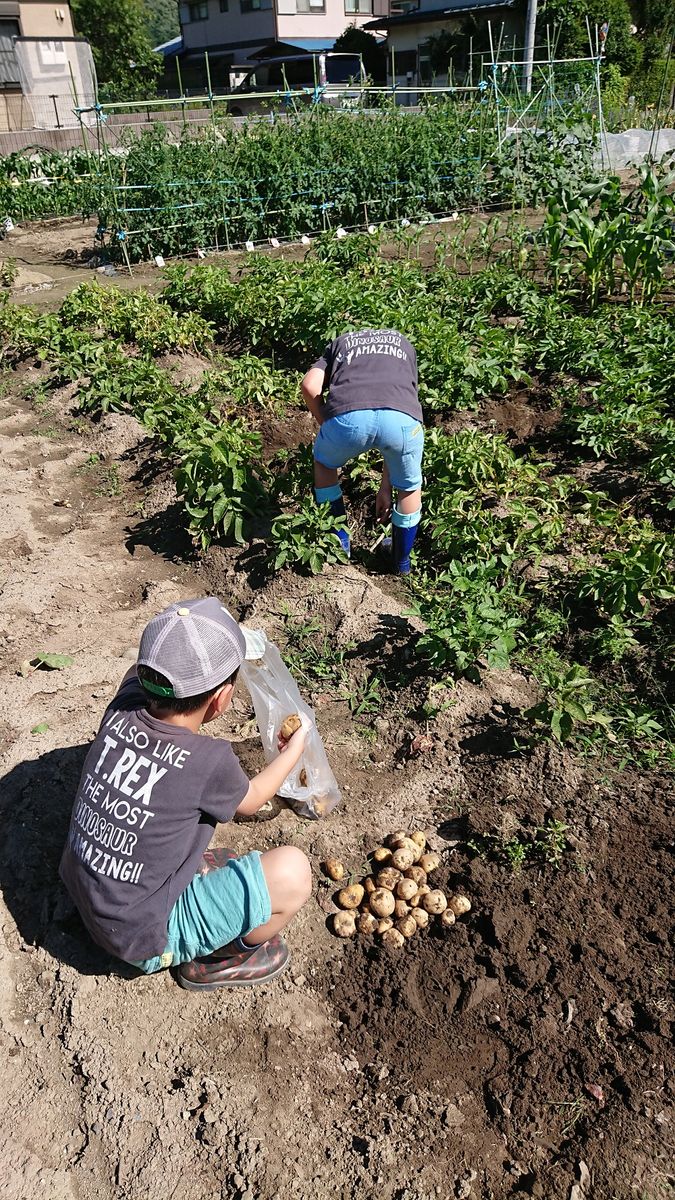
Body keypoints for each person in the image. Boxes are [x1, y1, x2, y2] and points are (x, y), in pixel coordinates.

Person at [59, 597, 312, 992]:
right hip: (142, 937)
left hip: (87, 895)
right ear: (221, 699)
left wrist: (191, 643)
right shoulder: (209, 761)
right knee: (293, 872)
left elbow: (141, 669)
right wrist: (295, 750)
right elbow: (252, 799)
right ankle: (217, 959)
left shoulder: (120, 710)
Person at [301, 327, 424, 574]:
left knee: (325, 464)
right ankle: (401, 564)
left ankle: (339, 546)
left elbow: (308, 385)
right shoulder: (403, 344)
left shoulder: (340, 343)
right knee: (409, 487)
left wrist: (326, 421)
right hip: (402, 420)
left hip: (347, 417)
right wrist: (388, 487)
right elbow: (392, 411)